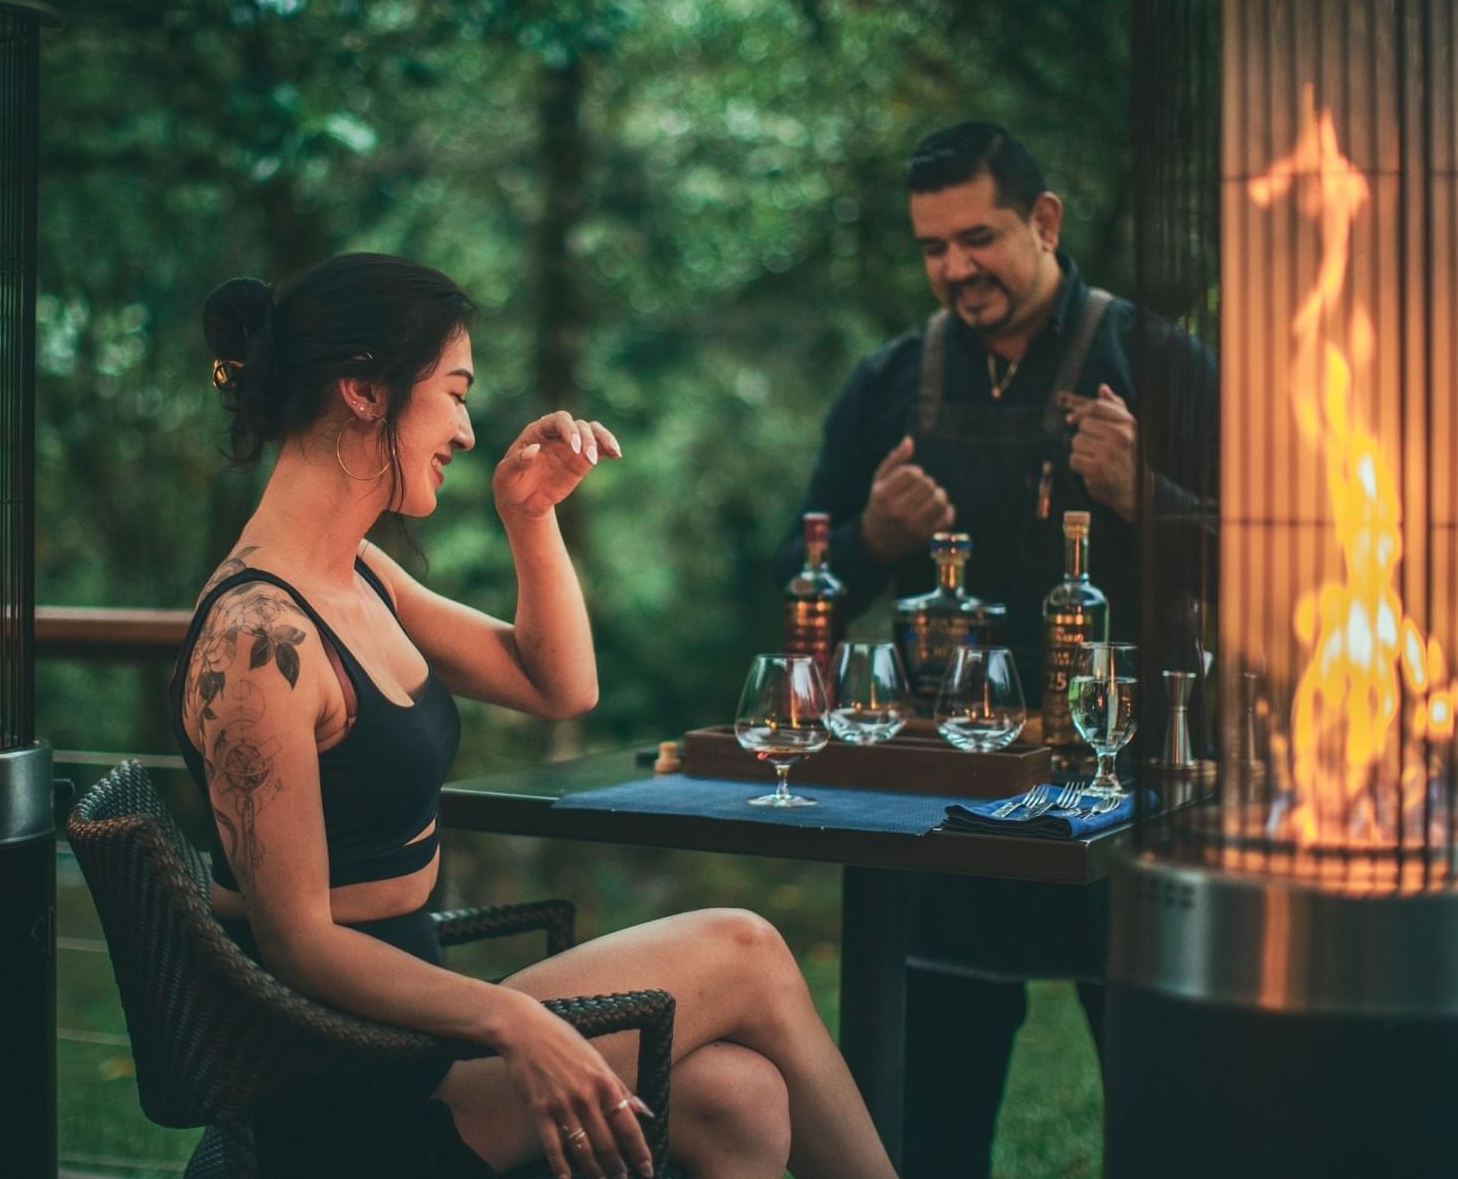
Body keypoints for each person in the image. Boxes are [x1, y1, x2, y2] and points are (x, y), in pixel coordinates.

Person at [174, 253, 900, 1179]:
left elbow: (556, 683)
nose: (468, 431)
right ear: (363, 388)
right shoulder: (255, 637)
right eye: (454, 392)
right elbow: (297, 941)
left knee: (740, 1096)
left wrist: (530, 516)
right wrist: (514, 1019)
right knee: (745, 948)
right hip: (350, 1099)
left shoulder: (357, 577)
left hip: (421, 1040)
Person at [776, 124, 1217, 1178]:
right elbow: (793, 588)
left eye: (977, 237)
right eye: (932, 247)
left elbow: (1278, 573)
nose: (954, 268)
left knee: (1171, 1132)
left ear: (1045, 221)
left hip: (1133, 802)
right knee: (925, 1132)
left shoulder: (1159, 363)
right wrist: (874, 538)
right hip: (942, 808)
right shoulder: (888, 381)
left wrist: (1139, 494)